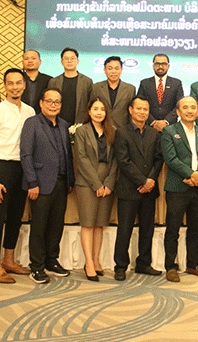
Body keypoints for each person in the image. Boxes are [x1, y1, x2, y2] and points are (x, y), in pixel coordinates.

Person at [0, 68, 35, 284]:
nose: (15, 87)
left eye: (18, 83)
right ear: (5, 86)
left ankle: (9, 260)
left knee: (15, 216)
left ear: (24, 85)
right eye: (10, 83)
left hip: (23, 168)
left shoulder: (30, 111)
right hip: (2, 167)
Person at [20, 88, 75, 284]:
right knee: (39, 226)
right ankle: (36, 266)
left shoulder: (63, 124)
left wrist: (70, 181)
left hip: (61, 183)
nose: (53, 105)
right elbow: (26, 154)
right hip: (40, 184)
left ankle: (52, 261)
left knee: (56, 225)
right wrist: (32, 182)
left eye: (57, 102)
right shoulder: (32, 123)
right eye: (49, 101)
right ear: (41, 103)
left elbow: (67, 154)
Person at [161, 97, 198, 282]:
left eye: (193, 107)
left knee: (195, 228)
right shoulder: (169, 131)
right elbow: (171, 159)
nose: (189, 110)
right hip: (177, 187)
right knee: (173, 228)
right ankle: (170, 267)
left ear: (197, 111)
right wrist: (192, 174)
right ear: (178, 112)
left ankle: (193, 264)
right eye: (185, 107)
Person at [113, 96, 164, 281]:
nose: (142, 112)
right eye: (139, 108)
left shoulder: (154, 133)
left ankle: (144, 263)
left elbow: (159, 159)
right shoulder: (121, 132)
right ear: (131, 110)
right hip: (129, 189)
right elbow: (123, 161)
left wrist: (150, 180)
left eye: (145, 109)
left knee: (147, 229)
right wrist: (142, 181)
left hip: (149, 190)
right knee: (124, 229)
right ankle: (120, 266)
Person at [73, 96, 118, 281]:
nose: (99, 112)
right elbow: (81, 159)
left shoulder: (112, 131)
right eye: (95, 109)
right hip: (87, 183)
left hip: (107, 184)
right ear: (89, 111)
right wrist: (96, 184)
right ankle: (89, 262)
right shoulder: (81, 131)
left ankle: (97, 260)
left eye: (102, 109)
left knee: (100, 224)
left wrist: (109, 183)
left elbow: (115, 160)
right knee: (88, 224)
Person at [138, 53, 184, 132]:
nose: (160, 66)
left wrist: (166, 121)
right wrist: (153, 122)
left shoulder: (176, 83)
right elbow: (139, 104)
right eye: (157, 64)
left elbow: (179, 105)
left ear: (168, 66)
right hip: (148, 127)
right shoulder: (144, 83)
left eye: (163, 64)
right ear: (153, 66)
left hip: (171, 127)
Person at [49, 47, 93, 126]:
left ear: (77, 61)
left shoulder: (87, 81)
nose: (69, 61)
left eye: (72, 58)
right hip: (57, 123)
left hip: (80, 124)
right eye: (66, 58)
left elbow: (90, 104)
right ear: (62, 62)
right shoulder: (54, 82)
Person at [91, 56, 136, 127]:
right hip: (101, 127)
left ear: (121, 70)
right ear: (104, 70)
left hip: (122, 129)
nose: (113, 71)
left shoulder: (130, 89)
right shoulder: (96, 87)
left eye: (117, 68)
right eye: (110, 68)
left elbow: (131, 113)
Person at [20, 49, 53, 114]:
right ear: (23, 62)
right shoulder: (18, 79)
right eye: (26, 59)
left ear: (40, 61)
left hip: (43, 117)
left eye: (33, 58)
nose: (30, 61)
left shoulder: (49, 80)